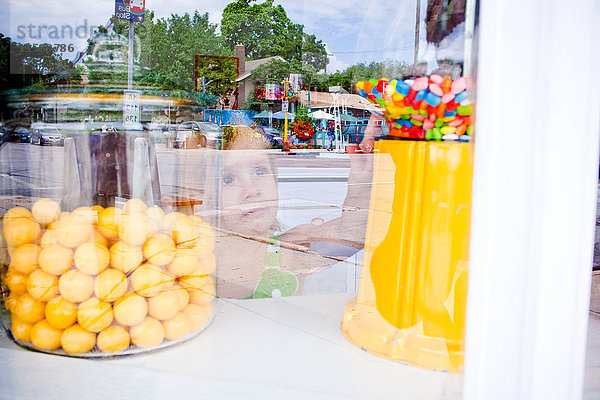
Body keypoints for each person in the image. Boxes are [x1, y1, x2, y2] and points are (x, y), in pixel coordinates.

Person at [215, 132, 373, 299]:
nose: (252, 190)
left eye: (260, 171)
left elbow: (354, 231)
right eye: (228, 179)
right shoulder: (196, 255)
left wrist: (361, 189)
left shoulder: (288, 247)